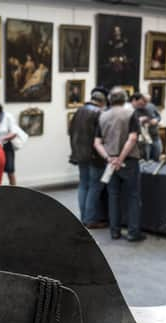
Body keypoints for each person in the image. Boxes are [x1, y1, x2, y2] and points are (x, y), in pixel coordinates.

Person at [94, 87, 145, 242]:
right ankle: (133, 232)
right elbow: (133, 138)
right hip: (128, 161)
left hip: (110, 162)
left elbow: (97, 143)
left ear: (110, 99)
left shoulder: (102, 116)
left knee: (113, 197)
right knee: (133, 196)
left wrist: (109, 158)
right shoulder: (130, 114)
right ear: (125, 99)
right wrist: (120, 159)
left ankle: (114, 232)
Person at [69, 88, 107, 228]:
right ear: (102, 102)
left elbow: (70, 131)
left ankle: (83, 218)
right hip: (94, 155)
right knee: (95, 186)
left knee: (83, 184)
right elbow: (101, 136)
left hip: (79, 154)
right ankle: (90, 220)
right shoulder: (99, 113)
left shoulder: (79, 111)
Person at [131, 93, 162, 161]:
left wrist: (156, 120)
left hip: (155, 137)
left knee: (157, 157)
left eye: (147, 102)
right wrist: (139, 121)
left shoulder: (151, 106)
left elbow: (159, 117)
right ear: (140, 100)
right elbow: (132, 126)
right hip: (144, 140)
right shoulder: (134, 110)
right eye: (144, 101)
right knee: (146, 160)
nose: (145, 104)